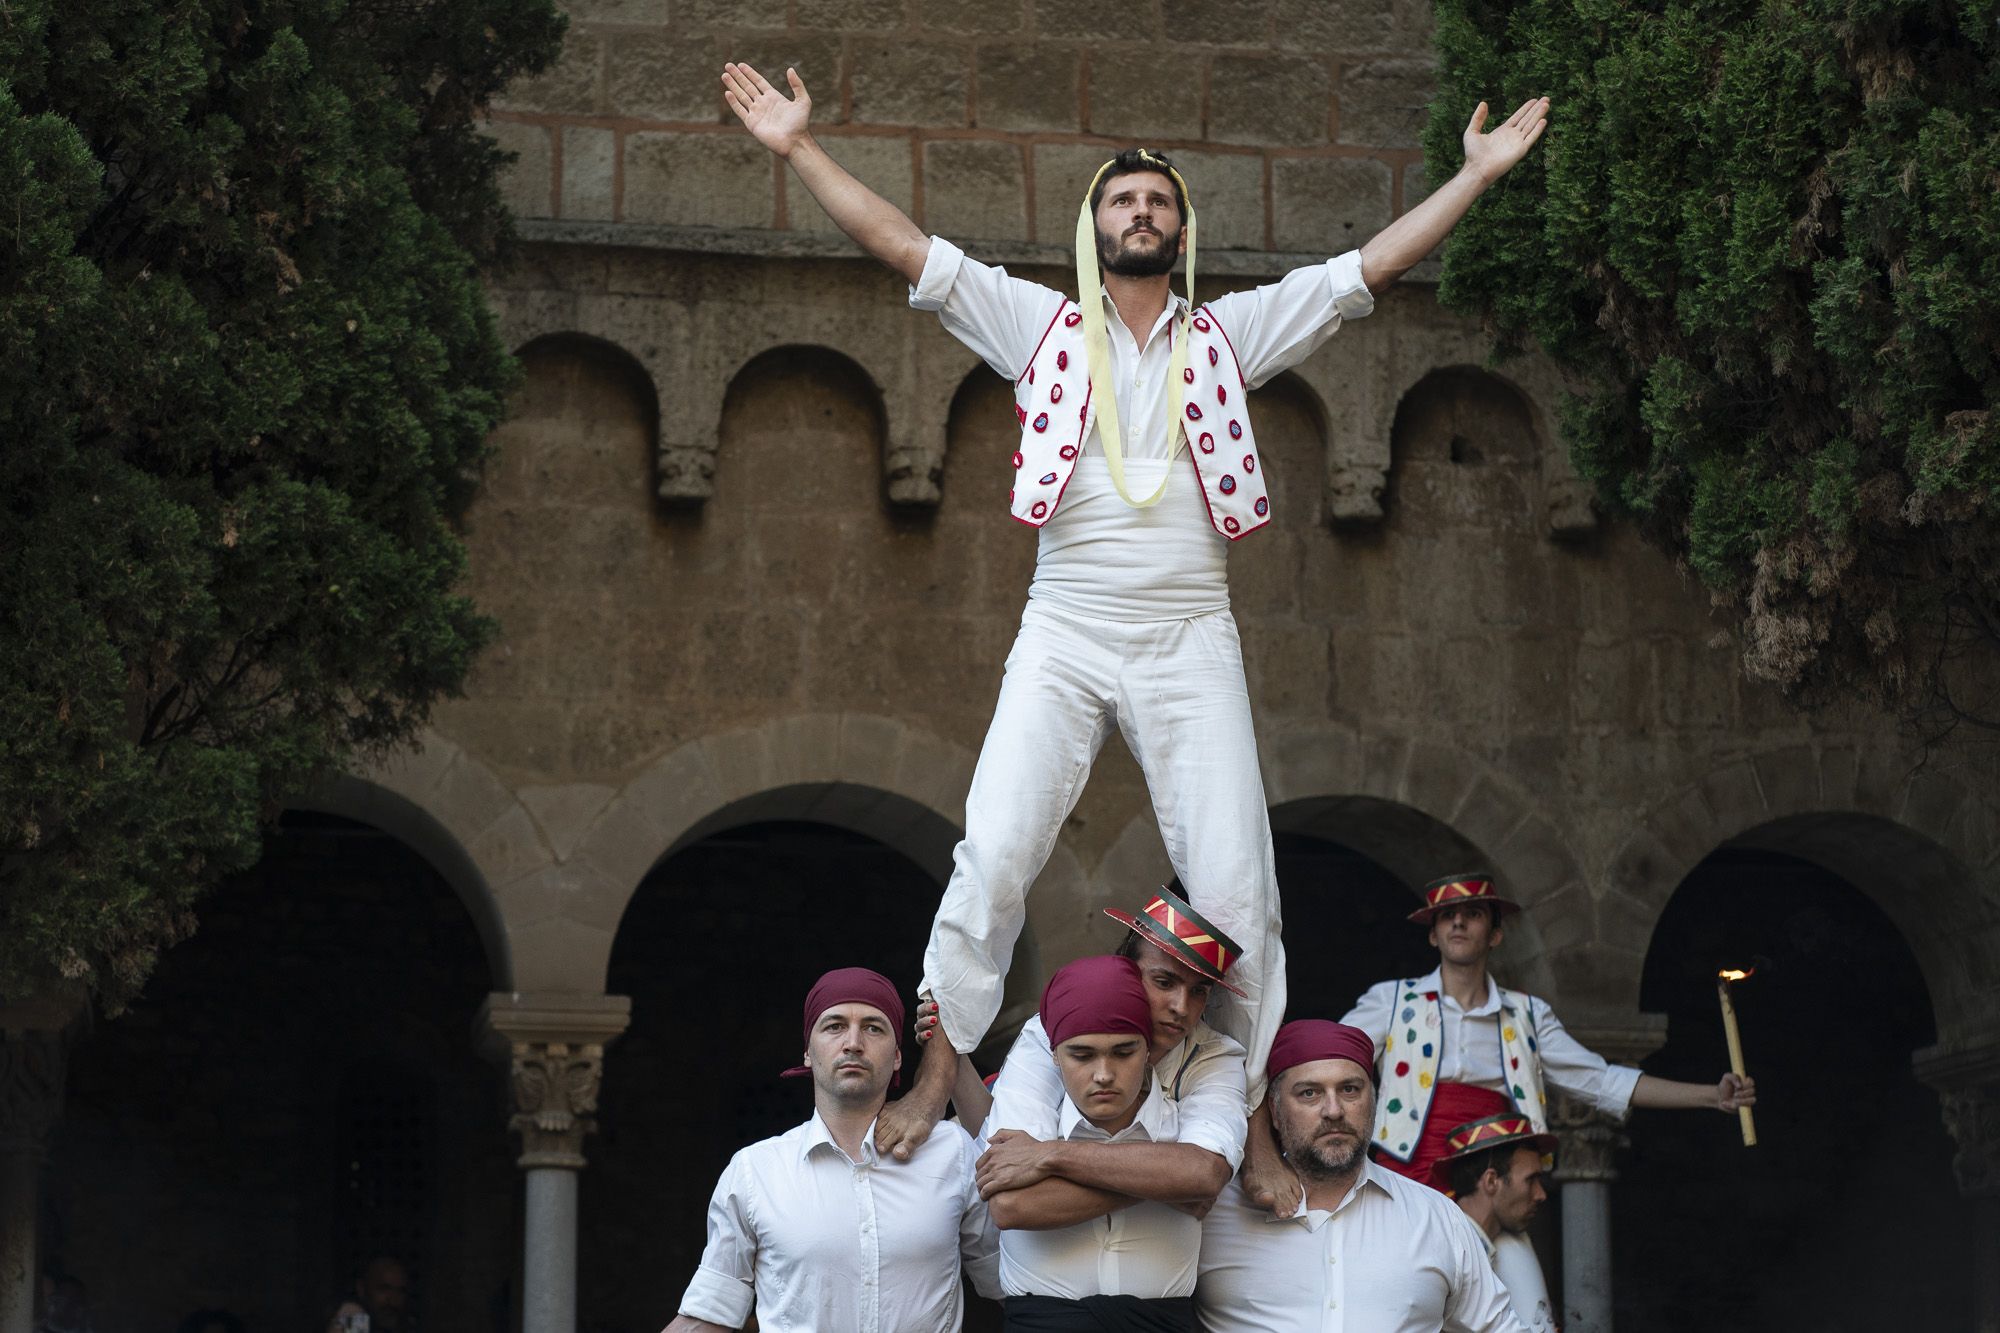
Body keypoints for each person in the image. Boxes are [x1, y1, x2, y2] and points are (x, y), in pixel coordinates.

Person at [717, 59, 1556, 1158]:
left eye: (1158, 202)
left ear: (1181, 231)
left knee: (1237, 883)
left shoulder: (1228, 337)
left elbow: (1366, 269)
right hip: (1063, 627)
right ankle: (934, 1074)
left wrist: (1475, 179)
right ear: (1094, 226)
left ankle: (1253, 1124)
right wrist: (795, 149)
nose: (1141, 213)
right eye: (1122, 201)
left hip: (1188, 635)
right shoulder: (1038, 327)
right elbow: (902, 245)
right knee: (996, 852)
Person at [1243, 872, 1759, 1208]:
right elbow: (1326, 1058)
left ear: (1494, 934)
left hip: (1494, 1172)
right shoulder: (1394, 1001)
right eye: (1448, 916)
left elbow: (1600, 1080)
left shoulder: (1529, 1014)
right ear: (1433, 934)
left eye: (1473, 914)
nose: (1459, 922)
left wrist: (1710, 1096)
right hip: (1407, 1166)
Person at [666, 967, 999, 1333]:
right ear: (808, 1053)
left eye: (874, 1027)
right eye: (834, 1026)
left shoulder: (953, 1153)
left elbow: (1010, 1280)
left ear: (899, 1056)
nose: (853, 1042)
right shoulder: (755, 1171)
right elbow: (708, 1316)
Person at [1194, 1020, 1528, 1333]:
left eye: (1350, 1090)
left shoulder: (1436, 1218)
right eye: (1309, 1093)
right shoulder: (1213, 1215)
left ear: (1374, 1101)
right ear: (1276, 1112)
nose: (1334, 1110)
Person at [922, 887, 1248, 1181]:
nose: (1181, 1007)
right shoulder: (1053, 1028)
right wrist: (1173, 1183)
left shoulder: (1214, 1054)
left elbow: (1204, 1172)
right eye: (1164, 983)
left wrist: (1049, 1154)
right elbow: (1009, 1187)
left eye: (1199, 992)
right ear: (1126, 971)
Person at [982, 954, 1216, 1332]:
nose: (1104, 1074)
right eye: (1082, 1054)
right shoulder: (1030, 1119)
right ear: (1054, 1056)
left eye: (1124, 1053)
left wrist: (1051, 1158)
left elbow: (1202, 1176)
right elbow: (1010, 1207)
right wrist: (1165, 1183)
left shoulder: (1185, 1128)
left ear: (1148, 1053)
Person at [1437, 1115, 1561, 1333]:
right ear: (1491, 1181)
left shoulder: (1502, 1243)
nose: (1541, 1194)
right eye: (1531, 1180)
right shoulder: (1443, 1250)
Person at [324, 1256, 407, 1333]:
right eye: (384, 1289)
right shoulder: (353, 1314)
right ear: (361, 1288)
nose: (393, 1300)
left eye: (400, 1291)